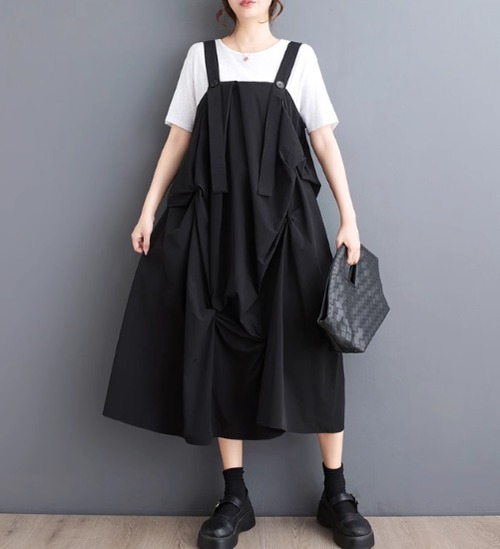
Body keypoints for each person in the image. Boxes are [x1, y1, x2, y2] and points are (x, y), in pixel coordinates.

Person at [102, 1, 375, 548]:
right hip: (217, 228)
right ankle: (234, 496)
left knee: (313, 352)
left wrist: (349, 217)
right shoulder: (201, 59)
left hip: (290, 226)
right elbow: (178, 137)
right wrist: (148, 210)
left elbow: (323, 139)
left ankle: (336, 494)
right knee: (221, 348)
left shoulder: (298, 59)